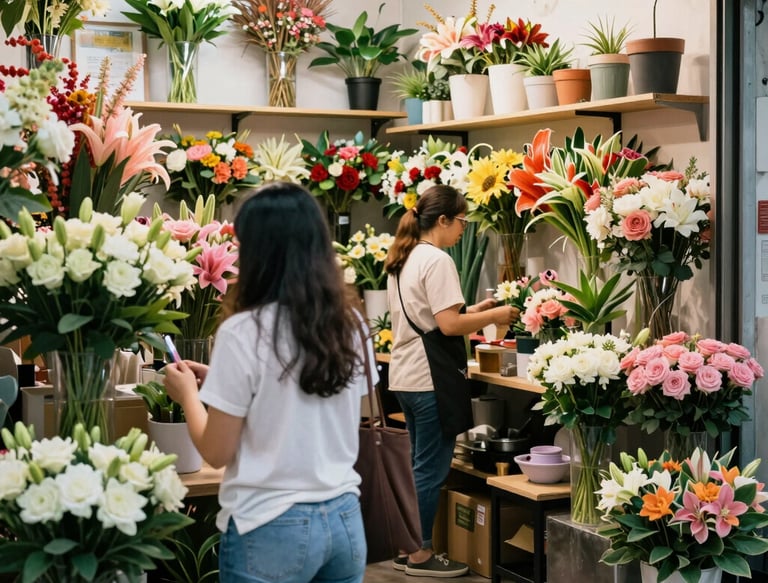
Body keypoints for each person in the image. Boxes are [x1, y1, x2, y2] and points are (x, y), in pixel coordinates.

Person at [164, 182, 374, 583]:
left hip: (269, 524)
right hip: (344, 518)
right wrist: (231, 389)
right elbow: (344, 410)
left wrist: (190, 395)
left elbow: (216, 450)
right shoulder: (350, 325)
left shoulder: (243, 331)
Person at [384, 185, 519, 577]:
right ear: (442, 220)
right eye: (461, 221)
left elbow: (432, 316)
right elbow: (448, 324)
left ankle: (407, 547)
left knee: (416, 466)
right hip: (430, 380)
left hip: (405, 377)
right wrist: (496, 316)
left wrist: (475, 309)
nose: (464, 228)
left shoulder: (404, 256)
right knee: (430, 469)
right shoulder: (438, 260)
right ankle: (421, 554)